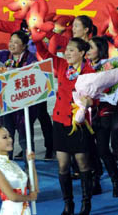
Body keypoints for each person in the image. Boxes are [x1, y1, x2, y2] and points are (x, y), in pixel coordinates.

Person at [32, 37, 95, 215]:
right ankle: (68, 204)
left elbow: (98, 96)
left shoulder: (90, 71)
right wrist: (37, 40)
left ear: (82, 53)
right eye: (66, 50)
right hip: (60, 121)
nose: (67, 53)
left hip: (79, 122)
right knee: (62, 165)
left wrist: (91, 101)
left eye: (71, 50)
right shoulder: (61, 65)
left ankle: (86, 203)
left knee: (83, 164)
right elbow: (44, 54)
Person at [86, 38, 118, 198]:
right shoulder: (84, 66)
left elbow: (112, 89)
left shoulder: (108, 66)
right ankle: (96, 180)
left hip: (104, 113)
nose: (87, 50)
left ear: (100, 50)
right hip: (86, 114)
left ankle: (116, 182)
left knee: (102, 149)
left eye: (91, 47)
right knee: (89, 149)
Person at [0, 124, 39, 215]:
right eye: (5, 137)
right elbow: (12, 196)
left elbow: (34, 187)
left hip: (25, 210)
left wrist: (31, 163)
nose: (10, 139)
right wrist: (30, 197)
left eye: (9, 136)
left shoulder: (14, 164)